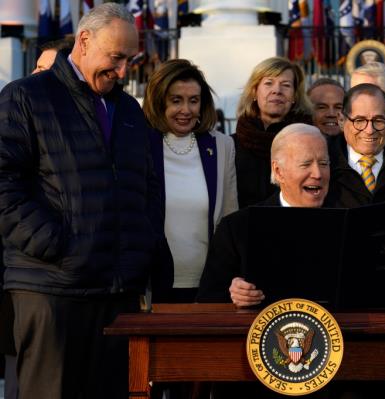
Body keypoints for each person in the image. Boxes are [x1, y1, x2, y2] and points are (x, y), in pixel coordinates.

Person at [0, 4, 161, 399]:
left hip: (117, 293)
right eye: (116, 58)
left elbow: (148, 190)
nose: (123, 71)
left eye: (130, 60)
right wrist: (59, 247)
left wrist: (138, 254)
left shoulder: (128, 110)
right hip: (51, 291)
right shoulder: (25, 97)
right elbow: (4, 185)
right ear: (84, 40)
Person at [198, 123, 385, 308]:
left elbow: (380, 295)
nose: (318, 174)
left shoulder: (354, 222)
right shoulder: (237, 228)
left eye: (324, 163)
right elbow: (209, 300)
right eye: (306, 164)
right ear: (278, 171)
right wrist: (235, 295)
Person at [0, 33, 76, 399]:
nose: (36, 77)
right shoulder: (15, 110)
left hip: (54, 282)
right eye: (37, 67)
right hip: (27, 276)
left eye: (46, 70)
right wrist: (46, 241)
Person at [143, 59, 238, 304]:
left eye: (193, 100)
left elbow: (230, 218)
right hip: (151, 286)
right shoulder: (141, 144)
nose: (186, 109)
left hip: (207, 286)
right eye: (176, 100)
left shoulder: (222, 146)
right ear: (159, 101)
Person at [234, 56, 313, 208]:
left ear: (294, 96)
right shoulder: (231, 146)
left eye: (286, 85)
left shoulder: (311, 141)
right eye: (269, 83)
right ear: (254, 91)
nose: (277, 91)